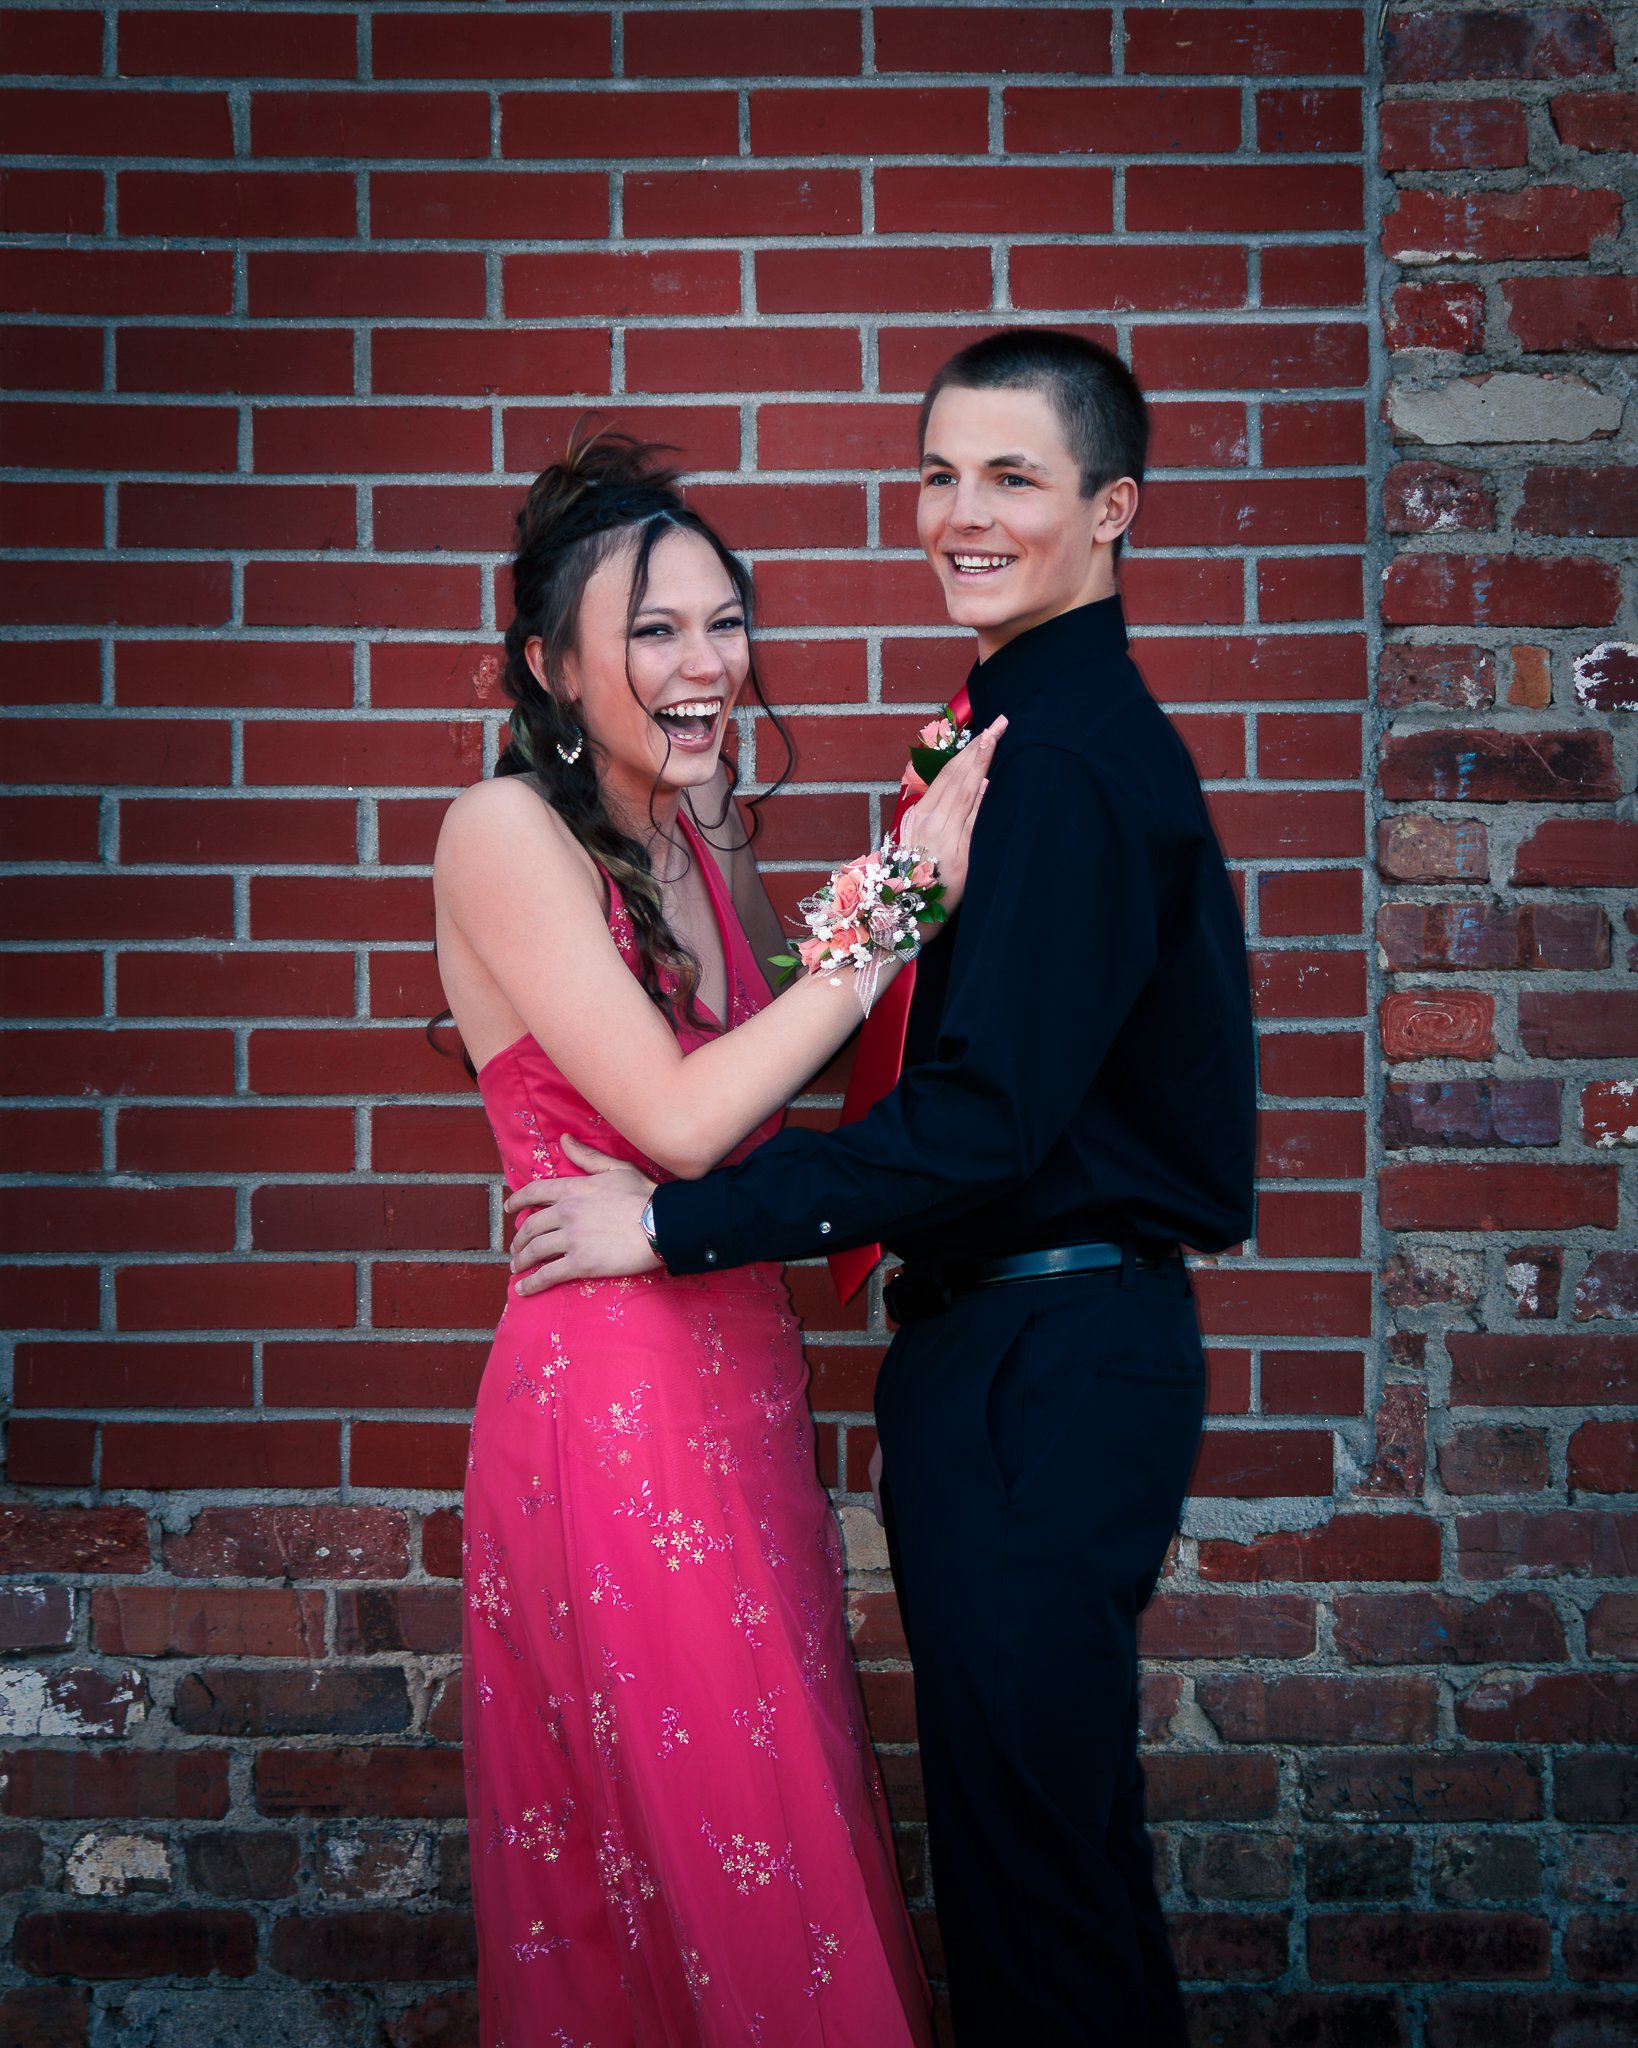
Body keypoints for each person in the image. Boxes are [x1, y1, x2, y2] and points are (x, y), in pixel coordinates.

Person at [505, 331, 1259, 2045]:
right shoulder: (1002, 738)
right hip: (1007, 1351)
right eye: (938, 472)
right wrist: (848, 904)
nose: (960, 514)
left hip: (1043, 1351)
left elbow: (984, 1122)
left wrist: (672, 1225)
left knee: (1039, 1872)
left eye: (1012, 477)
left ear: (1110, 509)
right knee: (1019, 1854)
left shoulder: (1059, 762)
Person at [432, 427, 1002, 2047]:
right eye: (653, 631)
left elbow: (778, 1069)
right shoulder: (500, 838)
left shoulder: (684, 833)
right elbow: (683, 1126)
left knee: (765, 1817)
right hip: (607, 1409)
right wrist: (902, 894)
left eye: (723, 622)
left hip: (739, 1383)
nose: (707, 663)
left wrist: (761, 856)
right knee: (706, 1850)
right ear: (548, 667)